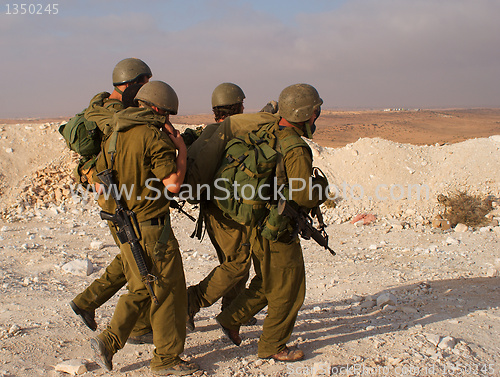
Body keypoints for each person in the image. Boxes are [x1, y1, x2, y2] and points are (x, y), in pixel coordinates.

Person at [89, 81, 199, 375]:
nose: (168, 121)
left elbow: (97, 182)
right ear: (158, 110)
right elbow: (173, 184)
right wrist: (181, 151)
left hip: (124, 226)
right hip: (152, 229)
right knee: (167, 292)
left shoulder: (115, 134)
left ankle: (110, 341)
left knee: (142, 286)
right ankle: (166, 360)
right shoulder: (153, 138)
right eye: (167, 115)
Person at [214, 84, 326, 362]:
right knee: (290, 289)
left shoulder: (268, 132)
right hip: (279, 229)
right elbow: (303, 195)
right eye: (315, 111)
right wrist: (321, 189)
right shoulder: (296, 147)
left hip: (257, 222)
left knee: (268, 281)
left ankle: (231, 318)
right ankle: (273, 345)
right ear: (305, 114)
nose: (317, 116)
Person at [69, 58, 155, 344]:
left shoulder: (105, 106)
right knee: (138, 258)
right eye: (142, 84)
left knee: (131, 255)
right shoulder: (113, 113)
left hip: (121, 194)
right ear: (129, 84)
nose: (145, 91)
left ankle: (86, 302)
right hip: (118, 199)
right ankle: (140, 327)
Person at [186, 82, 273, 330]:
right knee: (237, 262)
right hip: (225, 210)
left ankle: (233, 309)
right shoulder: (230, 131)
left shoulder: (211, 131)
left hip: (220, 209)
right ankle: (188, 303)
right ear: (239, 106)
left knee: (237, 259)